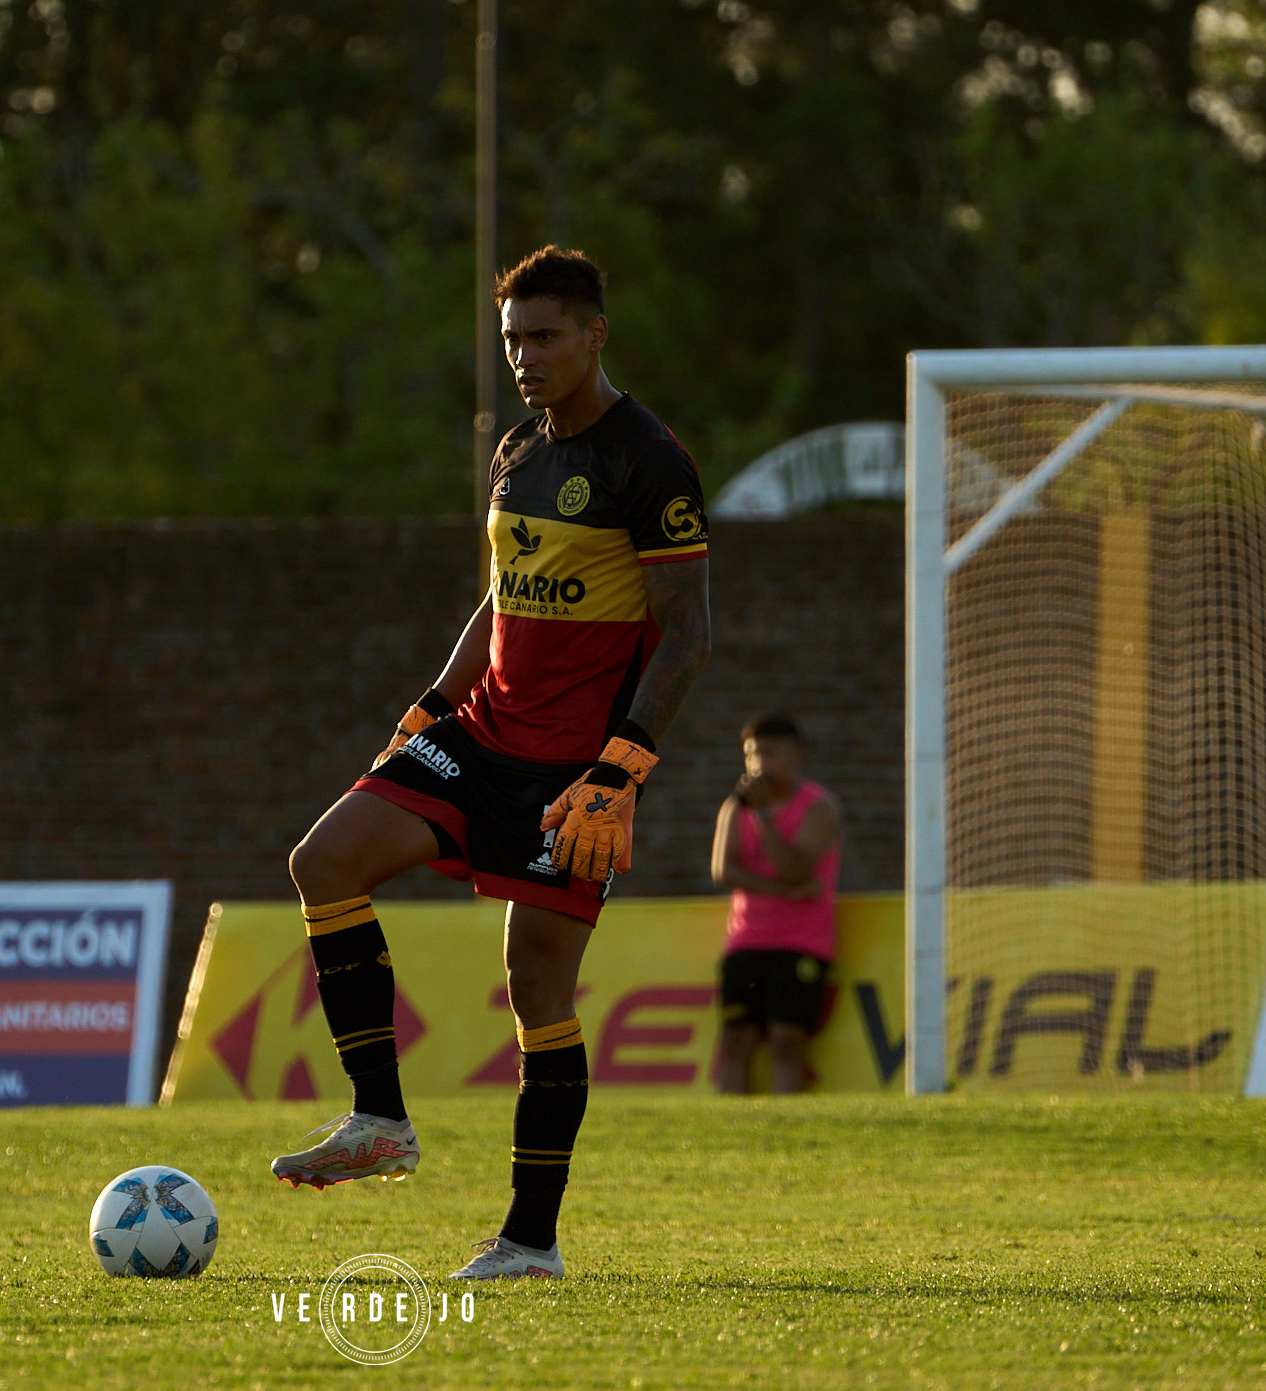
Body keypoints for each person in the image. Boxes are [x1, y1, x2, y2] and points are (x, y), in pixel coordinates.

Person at [270, 246, 711, 1280]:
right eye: (511, 337)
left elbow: (686, 631)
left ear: (594, 333)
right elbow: (499, 596)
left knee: (536, 992)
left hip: (570, 773)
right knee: (322, 860)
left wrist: (619, 768)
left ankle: (527, 1240)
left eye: (543, 335)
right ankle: (379, 1118)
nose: (523, 355)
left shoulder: (648, 458)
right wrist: (430, 700)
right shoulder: (517, 448)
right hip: (476, 733)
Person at [711, 714, 843, 1094]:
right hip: (745, 940)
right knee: (736, 1041)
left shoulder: (819, 807)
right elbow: (724, 870)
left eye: (768, 753)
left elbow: (795, 869)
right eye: (751, 754)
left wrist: (764, 814)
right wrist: (784, 892)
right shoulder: (735, 807)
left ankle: (787, 1126)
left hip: (801, 943)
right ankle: (730, 1132)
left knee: (787, 1039)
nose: (757, 764)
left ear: (795, 756)